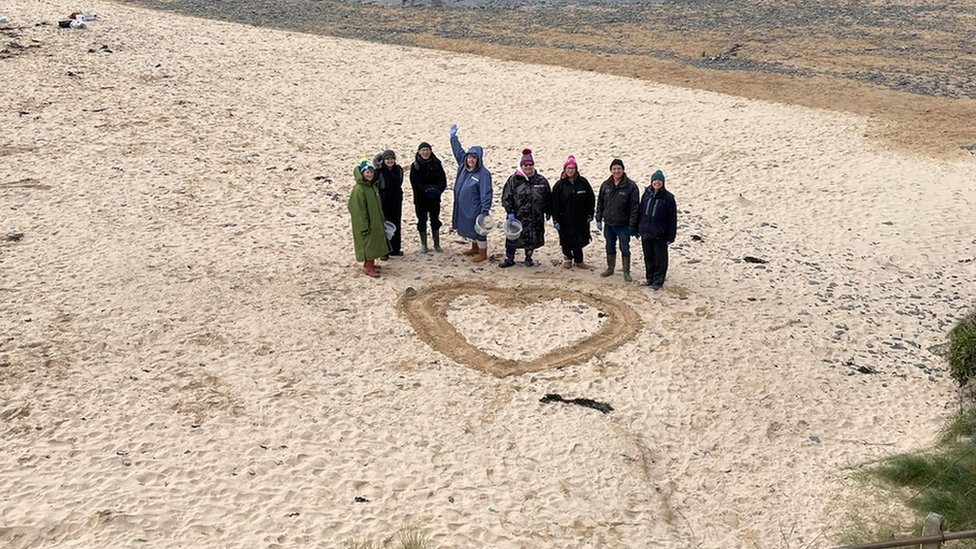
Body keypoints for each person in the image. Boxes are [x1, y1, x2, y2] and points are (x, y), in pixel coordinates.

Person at [500, 149, 551, 268]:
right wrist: (510, 212)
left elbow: (548, 197)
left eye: (530, 164)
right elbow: (506, 197)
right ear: (521, 165)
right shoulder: (513, 180)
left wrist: (549, 211)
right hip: (517, 217)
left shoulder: (541, 180)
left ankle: (528, 258)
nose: (528, 167)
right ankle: (509, 258)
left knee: (532, 238)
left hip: (535, 217)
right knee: (512, 239)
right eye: (525, 165)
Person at [450, 124, 492, 263]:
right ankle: (474, 248)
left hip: (475, 207)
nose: (471, 160)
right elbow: (458, 152)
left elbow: (486, 192)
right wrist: (453, 138)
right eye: (469, 157)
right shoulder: (463, 167)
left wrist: (484, 211)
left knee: (480, 230)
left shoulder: (483, 174)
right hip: (463, 207)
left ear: (478, 159)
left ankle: (482, 253)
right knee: (469, 227)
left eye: (474, 158)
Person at [595, 158, 640, 282]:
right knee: (609, 246)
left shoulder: (631, 186)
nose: (616, 171)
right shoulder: (606, 185)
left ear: (623, 169)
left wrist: (632, 224)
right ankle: (610, 268)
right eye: (614, 169)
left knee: (624, 247)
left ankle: (626, 271)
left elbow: (635, 207)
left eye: (619, 168)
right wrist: (598, 218)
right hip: (608, 223)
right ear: (611, 170)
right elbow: (600, 203)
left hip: (623, 225)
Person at [348, 158, 390, 278]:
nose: (370, 174)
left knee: (374, 242)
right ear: (362, 173)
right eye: (367, 172)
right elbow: (358, 211)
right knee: (368, 245)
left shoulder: (371, 186)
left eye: (371, 172)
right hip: (366, 224)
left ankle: (369, 264)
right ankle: (369, 267)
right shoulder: (359, 190)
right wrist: (364, 226)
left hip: (375, 221)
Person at [551, 155, 595, 269]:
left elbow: (591, 198)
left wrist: (590, 214)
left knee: (579, 238)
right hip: (564, 217)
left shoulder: (583, 182)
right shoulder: (559, 185)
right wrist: (555, 219)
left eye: (572, 168)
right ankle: (567, 259)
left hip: (581, 217)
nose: (570, 170)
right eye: (568, 168)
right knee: (565, 238)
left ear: (576, 169)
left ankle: (579, 260)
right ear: (564, 169)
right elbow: (554, 203)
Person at [637, 170, 677, 290]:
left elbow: (672, 219)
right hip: (646, 232)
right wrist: (638, 228)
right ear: (651, 181)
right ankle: (649, 278)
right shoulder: (646, 194)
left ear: (663, 182)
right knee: (648, 257)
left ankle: (658, 281)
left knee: (660, 259)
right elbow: (640, 212)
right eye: (655, 180)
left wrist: (671, 237)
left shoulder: (668, 198)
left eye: (659, 180)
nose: (657, 182)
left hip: (660, 234)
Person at [409, 141, 447, 253]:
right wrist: (425, 190)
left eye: (427, 150)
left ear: (430, 151)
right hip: (421, 199)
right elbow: (414, 182)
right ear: (419, 152)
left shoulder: (436, 163)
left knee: (435, 220)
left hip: (434, 198)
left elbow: (443, 179)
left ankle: (436, 244)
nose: (425, 152)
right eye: (423, 150)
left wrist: (438, 190)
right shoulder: (415, 166)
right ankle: (424, 244)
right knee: (422, 220)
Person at [373, 149, 404, 259]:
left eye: (392, 159)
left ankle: (395, 249)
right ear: (383, 160)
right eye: (387, 159)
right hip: (384, 202)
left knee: (396, 224)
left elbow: (400, 183)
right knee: (385, 226)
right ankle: (384, 252)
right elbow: (375, 187)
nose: (390, 161)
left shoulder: (398, 170)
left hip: (396, 201)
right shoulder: (379, 172)